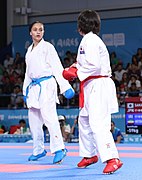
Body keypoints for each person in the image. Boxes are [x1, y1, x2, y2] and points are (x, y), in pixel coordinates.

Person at [62, 10, 123, 174]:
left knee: (98, 123)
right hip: (90, 85)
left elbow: (94, 65)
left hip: (98, 84)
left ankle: (113, 158)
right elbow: (83, 63)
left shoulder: (91, 41)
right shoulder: (88, 41)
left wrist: (76, 73)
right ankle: (89, 155)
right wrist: (73, 68)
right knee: (84, 120)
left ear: (80, 26)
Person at [22, 21, 75, 164]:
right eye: (35, 30)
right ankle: (38, 149)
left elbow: (57, 67)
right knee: (33, 120)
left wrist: (65, 87)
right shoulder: (29, 50)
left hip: (47, 85)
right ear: (30, 33)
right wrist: (25, 90)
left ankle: (59, 148)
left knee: (49, 118)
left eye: (41, 30)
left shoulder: (48, 47)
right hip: (34, 87)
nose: (38, 32)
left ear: (43, 32)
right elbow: (28, 73)